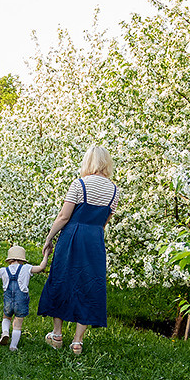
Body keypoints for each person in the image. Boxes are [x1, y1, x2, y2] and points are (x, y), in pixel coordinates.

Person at [38, 143, 117, 355]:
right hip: (94, 239)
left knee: (62, 279)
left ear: (88, 162)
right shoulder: (114, 190)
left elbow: (64, 216)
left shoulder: (79, 184)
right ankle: (77, 342)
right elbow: (104, 222)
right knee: (89, 284)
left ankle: (56, 335)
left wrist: (49, 237)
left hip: (73, 236)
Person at [0, 244, 49, 350]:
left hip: (8, 300)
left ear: (10, 259)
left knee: (6, 317)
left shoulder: (3, 270)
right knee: (17, 323)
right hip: (21, 300)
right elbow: (41, 267)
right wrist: (46, 255)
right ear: (22, 260)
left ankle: (5, 332)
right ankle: (13, 346)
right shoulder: (26, 268)